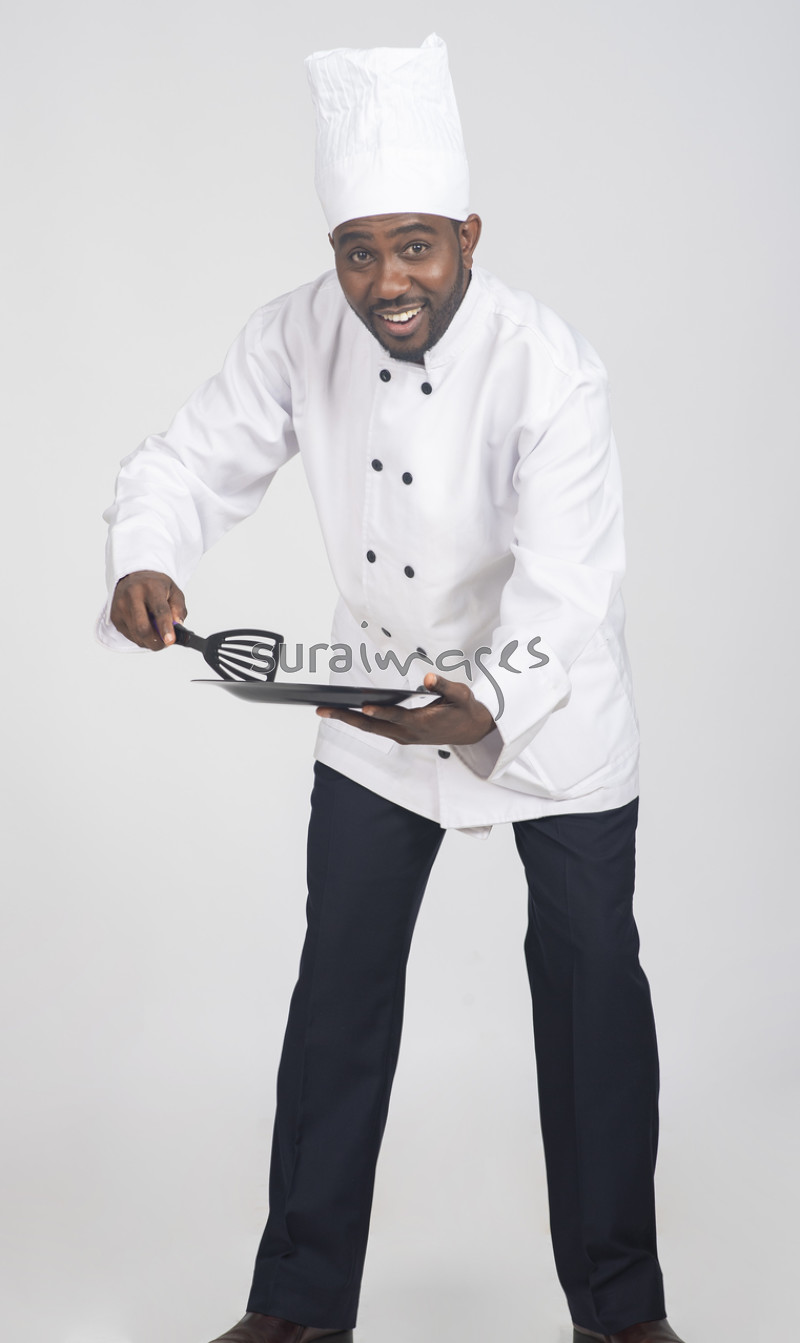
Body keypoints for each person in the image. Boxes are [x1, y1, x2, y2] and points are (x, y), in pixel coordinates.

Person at [98, 34, 686, 1343]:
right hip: (371, 699)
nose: (387, 281)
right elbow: (186, 461)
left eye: (415, 246)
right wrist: (147, 553)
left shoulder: (550, 366)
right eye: (359, 252)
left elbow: (571, 589)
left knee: (592, 993)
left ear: (468, 235)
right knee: (340, 995)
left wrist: (488, 701)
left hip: (548, 712)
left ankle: (621, 1311)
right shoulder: (296, 332)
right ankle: (299, 1307)